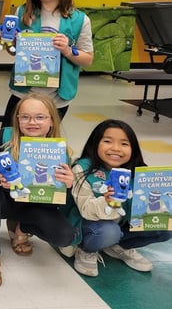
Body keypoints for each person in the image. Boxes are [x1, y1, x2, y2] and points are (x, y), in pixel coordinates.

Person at [0, 93, 75, 287]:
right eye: (25, 117)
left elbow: (61, 201)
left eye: (40, 117)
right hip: (6, 201)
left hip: (35, 207)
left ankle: (22, 227)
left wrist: (69, 186)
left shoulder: (60, 150)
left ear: (52, 121)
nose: (32, 122)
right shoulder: (7, 137)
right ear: (18, 120)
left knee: (65, 236)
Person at [64, 119, 172, 277]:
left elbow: (145, 211)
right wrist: (106, 201)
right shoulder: (82, 168)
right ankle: (86, 249)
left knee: (165, 226)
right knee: (109, 232)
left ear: (133, 149)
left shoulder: (139, 172)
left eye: (124, 144)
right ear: (95, 144)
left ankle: (120, 246)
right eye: (107, 141)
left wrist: (163, 204)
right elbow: (86, 210)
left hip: (121, 224)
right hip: (89, 225)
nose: (116, 148)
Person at [1, 0, 93, 126]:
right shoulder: (23, 13)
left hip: (57, 98)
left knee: (43, 144)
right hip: (23, 93)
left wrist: (67, 50)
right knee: (8, 139)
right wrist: (12, 42)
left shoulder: (80, 20)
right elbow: (13, 51)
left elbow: (88, 59)